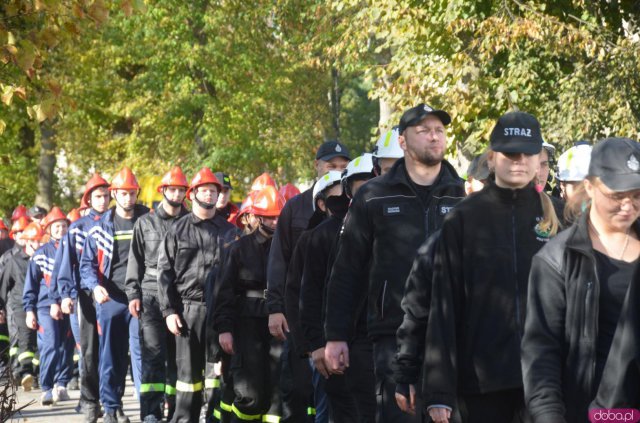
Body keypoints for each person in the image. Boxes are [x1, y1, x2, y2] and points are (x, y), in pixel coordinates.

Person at [325, 103, 465, 422]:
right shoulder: (373, 196)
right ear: (402, 142)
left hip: (453, 335)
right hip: (393, 335)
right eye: (423, 131)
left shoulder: (461, 195)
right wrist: (336, 335)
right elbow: (347, 270)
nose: (434, 137)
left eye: (439, 130)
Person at [423, 111, 562, 423]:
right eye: (510, 153)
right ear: (492, 157)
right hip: (481, 381)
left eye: (528, 153)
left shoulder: (559, 217)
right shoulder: (462, 218)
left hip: (546, 378)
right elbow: (443, 306)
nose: (519, 161)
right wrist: (438, 390)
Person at [522, 137, 640, 422]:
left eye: (637, 195)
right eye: (617, 195)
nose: (628, 205)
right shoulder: (555, 260)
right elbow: (541, 357)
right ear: (590, 186)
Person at [267, 140, 350, 422]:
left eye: (343, 166)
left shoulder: (358, 204)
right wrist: (276, 308)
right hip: (300, 310)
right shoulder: (296, 207)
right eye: (331, 165)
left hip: (339, 317)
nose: (338, 170)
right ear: (317, 166)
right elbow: (280, 261)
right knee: (298, 387)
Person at [157, 167, 235, 423]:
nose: (210, 195)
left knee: (217, 376)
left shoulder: (229, 232)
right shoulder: (177, 230)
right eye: (205, 190)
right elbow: (164, 273)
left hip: (221, 313)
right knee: (188, 380)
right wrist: (169, 312)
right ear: (193, 195)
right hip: (188, 311)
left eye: (214, 191)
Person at [302, 156, 376, 422]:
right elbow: (311, 292)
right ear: (348, 189)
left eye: (374, 181)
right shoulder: (325, 234)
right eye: (362, 184)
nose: (370, 189)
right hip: (343, 350)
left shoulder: (396, 225)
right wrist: (317, 344)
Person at [81, 167, 149, 423]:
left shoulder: (147, 220)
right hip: (110, 299)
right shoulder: (101, 227)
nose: (128, 198)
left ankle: (147, 409)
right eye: (123, 193)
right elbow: (87, 264)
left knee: (141, 353)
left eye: (132, 193)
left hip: (140, 298)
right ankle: (111, 407)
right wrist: (94, 286)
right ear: (114, 195)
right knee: (111, 354)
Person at [214, 186, 287, 422]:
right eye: (270, 217)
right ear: (257, 216)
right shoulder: (238, 249)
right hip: (247, 325)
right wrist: (224, 329)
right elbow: (224, 293)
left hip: (280, 324)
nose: (276, 221)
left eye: (279, 216)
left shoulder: (289, 248)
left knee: (277, 390)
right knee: (250, 392)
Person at [125, 166, 189, 423]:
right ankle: (150, 413)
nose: (176, 194)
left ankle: (174, 411)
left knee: (178, 359)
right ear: (163, 191)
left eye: (181, 190)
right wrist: (133, 293)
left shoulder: (190, 223)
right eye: (172, 189)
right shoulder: (145, 223)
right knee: (152, 356)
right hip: (151, 296)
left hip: (181, 298)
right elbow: (135, 260)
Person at [51, 172, 110, 422]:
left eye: (106, 196)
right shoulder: (76, 230)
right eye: (98, 196)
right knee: (88, 352)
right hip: (84, 299)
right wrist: (64, 295)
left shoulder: (115, 222)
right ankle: (89, 402)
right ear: (88, 199)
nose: (103, 200)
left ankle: (110, 402)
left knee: (111, 352)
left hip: (112, 297)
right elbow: (64, 266)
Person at [23, 208, 74, 405]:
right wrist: (29, 310)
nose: (61, 230)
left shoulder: (74, 249)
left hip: (69, 305)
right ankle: (46, 387)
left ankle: (61, 384)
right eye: (57, 226)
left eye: (64, 226)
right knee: (51, 345)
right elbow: (31, 285)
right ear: (49, 229)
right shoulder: (41, 254)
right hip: (45, 307)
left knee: (67, 347)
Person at [1, 221, 40, 390]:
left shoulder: (44, 257)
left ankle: (34, 372)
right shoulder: (14, 261)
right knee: (26, 340)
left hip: (41, 305)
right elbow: (3, 286)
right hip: (19, 306)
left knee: (40, 342)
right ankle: (25, 373)